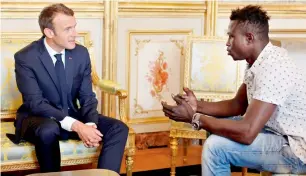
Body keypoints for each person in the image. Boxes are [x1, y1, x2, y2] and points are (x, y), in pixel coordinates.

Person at [162, 5, 306, 176]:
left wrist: (196, 118)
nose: (227, 43)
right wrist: (196, 106)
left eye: (231, 36)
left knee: (215, 148)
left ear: (249, 38)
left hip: (295, 151)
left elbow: (247, 133)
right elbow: (237, 105)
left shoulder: (274, 68)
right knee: (216, 128)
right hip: (275, 133)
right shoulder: (258, 61)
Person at [10, 3, 128, 173]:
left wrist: (90, 125)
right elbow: (35, 103)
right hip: (39, 118)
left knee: (118, 128)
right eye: (68, 29)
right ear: (49, 32)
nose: (75, 33)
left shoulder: (80, 53)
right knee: (48, 129)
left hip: (71, 114)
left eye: (75, 27)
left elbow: (87, 95)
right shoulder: (26, 57)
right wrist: (77, 126)